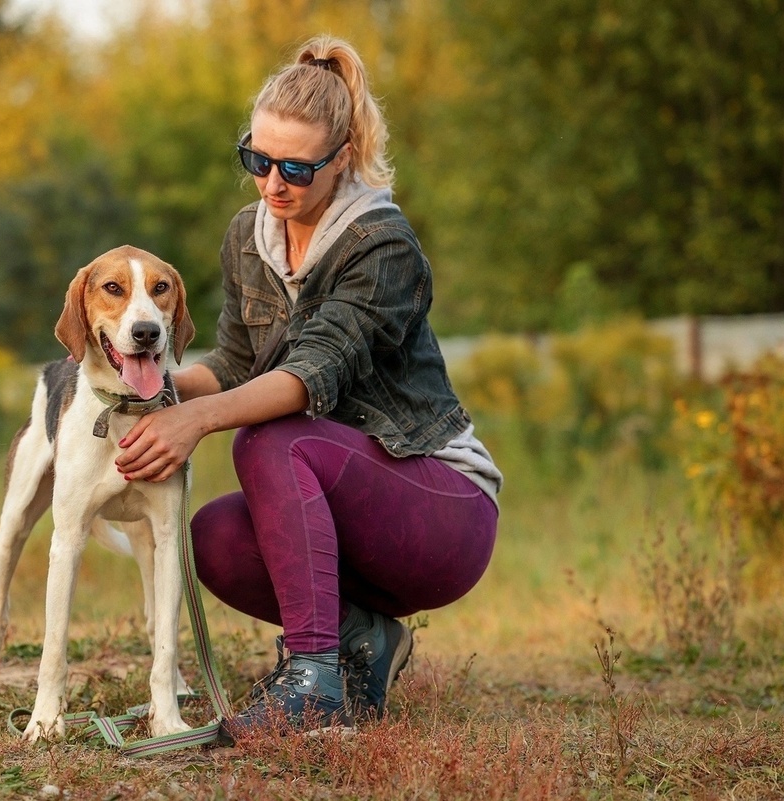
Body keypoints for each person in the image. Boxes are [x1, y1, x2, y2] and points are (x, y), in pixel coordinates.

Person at [114, 34, 502, 739]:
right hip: (344, 493)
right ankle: (363, 640)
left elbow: (306, 376)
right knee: (212, 537)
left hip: (440, 507)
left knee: (270, 441)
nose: (271, 184)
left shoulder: (380, 246)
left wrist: (195, 423)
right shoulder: (248, 235)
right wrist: (150, 393)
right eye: (257, 159)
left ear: (341, 159)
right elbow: (232, 363)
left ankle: (314, 675)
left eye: (294, 167)